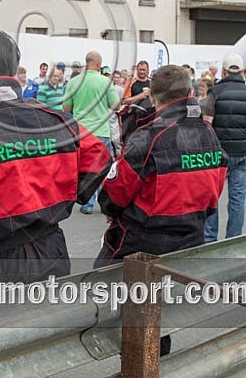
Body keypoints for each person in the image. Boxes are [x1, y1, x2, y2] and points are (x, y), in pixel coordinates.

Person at [0, 31, 111, 283]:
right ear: (13, 67)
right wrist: (67, 195)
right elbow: (99, 154)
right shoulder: (53, 119)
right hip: (52, 246)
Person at [95, 64, 227, 358]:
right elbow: (215, 188)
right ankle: (154, 361)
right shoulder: (209, 132)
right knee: (158, 312)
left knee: (105, 293)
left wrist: (111, 210)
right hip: (190, 236)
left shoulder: (149, 135)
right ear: (190, 93)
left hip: (142, 241)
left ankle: (139, 364)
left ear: (153, 98)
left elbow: (115, 192)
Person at [203, 54, 246, 241]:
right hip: (244, 152)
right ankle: (234, 239)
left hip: (218, 154)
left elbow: (207, 123)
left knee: (212, 198)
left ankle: (209, 239)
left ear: (223, 71)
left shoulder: (215, 91)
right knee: (237, 199)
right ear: (243, 72)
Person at [63, 51, 120, 214]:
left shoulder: (74, 82)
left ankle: (86, 202)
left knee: (83, 169)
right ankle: (102, 202)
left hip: (81, 132)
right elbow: (116, 105)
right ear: (97, 64)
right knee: (102, 168)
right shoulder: (105, 82)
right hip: (101, 131)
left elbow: (66, 108)